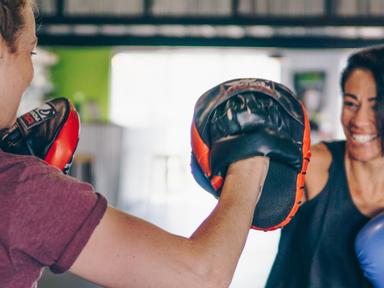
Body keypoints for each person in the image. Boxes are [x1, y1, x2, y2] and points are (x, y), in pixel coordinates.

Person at [0, 1, 310, 287]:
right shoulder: (21, 186)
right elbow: (199, 277)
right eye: (31, 52)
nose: (30, 74)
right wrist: (250, 159)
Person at [265, 45, 384, 287]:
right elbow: (256, 194)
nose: (360, 120)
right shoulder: (314, 165)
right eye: (351, 103)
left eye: (375, 106)